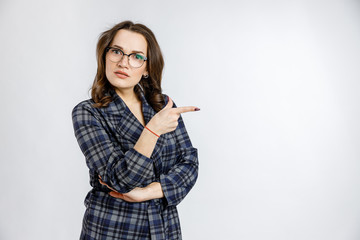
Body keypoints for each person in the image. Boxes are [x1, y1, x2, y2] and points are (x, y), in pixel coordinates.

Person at [71, 20, 200, 240]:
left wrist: (148, 193)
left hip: (164, 227)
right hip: (113, 229)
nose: (123, 62)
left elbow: (190, 163)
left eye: (136, 56)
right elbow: (120, 180)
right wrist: (152, 131)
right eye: (117, 51)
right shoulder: (87, 112)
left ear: (147, 68)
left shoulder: (163, 105)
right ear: (105, 56)